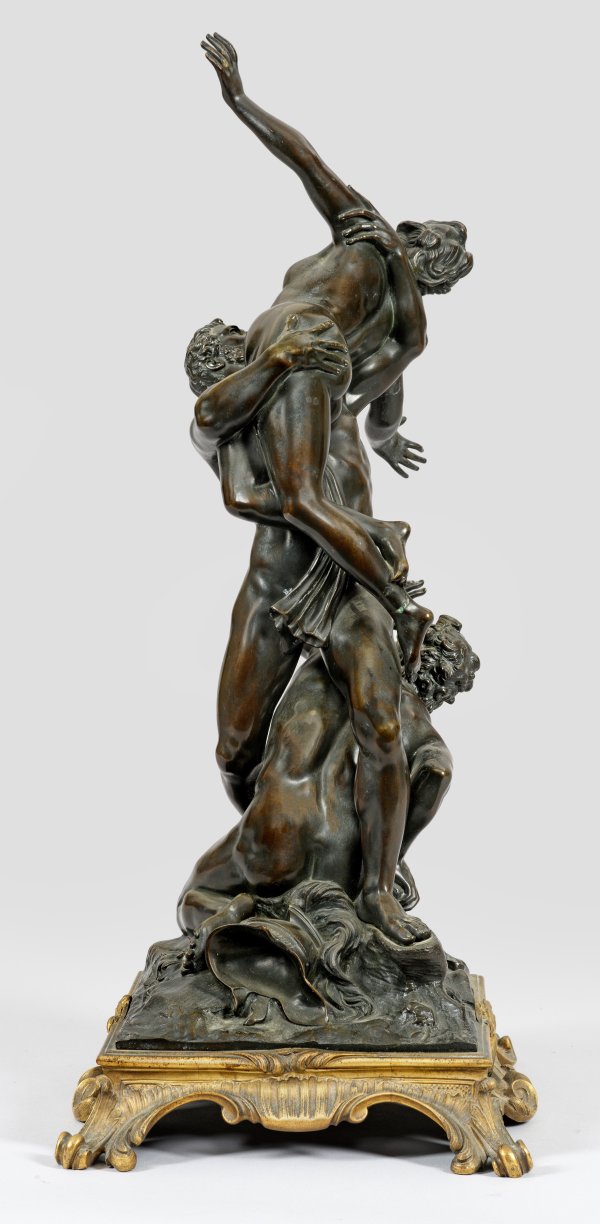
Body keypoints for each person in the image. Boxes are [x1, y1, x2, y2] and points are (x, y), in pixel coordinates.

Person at [196, 33, 472, 647]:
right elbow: (380, 413)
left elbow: (306, 160)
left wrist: (240, 99)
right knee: (258, 488)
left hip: (298, 348)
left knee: (293, 500)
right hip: (299, 364)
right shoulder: (390, 317)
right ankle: (374, 552)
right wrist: (388, 442)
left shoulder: (371, 240)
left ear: (412, 238)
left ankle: (398, 600)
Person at [176, 613, 480, 968]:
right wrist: (393, 859)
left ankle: (245, 910)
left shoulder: (332, 657)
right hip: (338, 859)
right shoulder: (416, 725)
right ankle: (285, 922)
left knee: (194, 896)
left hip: (270, 827)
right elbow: (436, 773)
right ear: (444, 690)